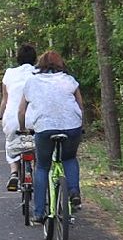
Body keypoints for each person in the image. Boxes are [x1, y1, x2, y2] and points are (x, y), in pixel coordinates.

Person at [16, 51, 84, 224]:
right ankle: (74, 192)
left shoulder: (31, 82)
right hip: (72, 127)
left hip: (44, 129)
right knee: (69, 158)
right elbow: (80, 106)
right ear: (60, 64)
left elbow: (21, 111)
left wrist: (23, 129)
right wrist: (79, 125)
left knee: (42, 167)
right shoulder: (69, 80)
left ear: (40, 64)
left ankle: (39, 213)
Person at [0, 44, 37, 191]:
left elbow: (5, 100)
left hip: (13, 118)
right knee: (38, 147)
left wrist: (0, 114)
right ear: (35, 58)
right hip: (36, 118)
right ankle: (39, 175)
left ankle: (14, 172)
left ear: (18, 58)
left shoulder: (9, 73)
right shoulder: (39, 73)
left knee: (11, 143)